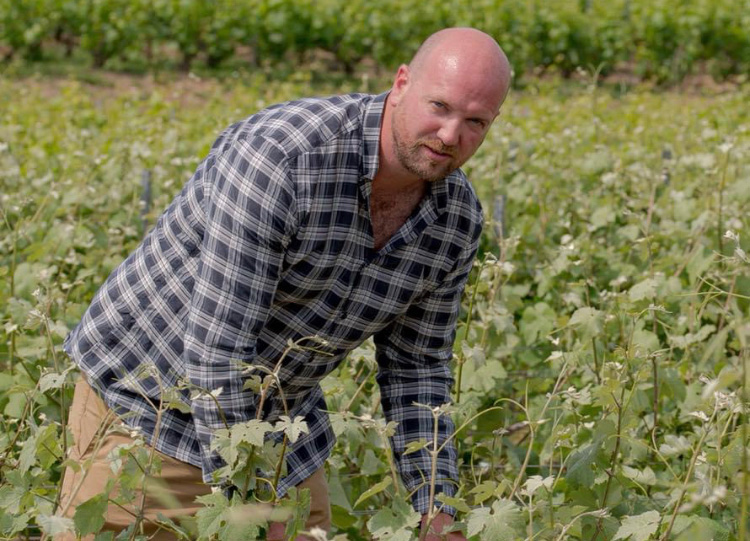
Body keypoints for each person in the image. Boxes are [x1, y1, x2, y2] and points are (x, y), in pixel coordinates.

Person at [58, 27, 511, 541]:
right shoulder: (282, 159)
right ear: (401, 83)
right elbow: (216, 351)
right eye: (440, 106)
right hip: (148, 406)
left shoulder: (455, 222)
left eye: (475, 122)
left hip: (280, 426)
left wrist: (436, 507)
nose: (450, 135)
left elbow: (417, 365)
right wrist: (253, 504)